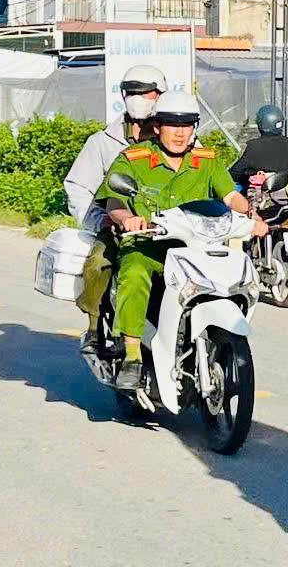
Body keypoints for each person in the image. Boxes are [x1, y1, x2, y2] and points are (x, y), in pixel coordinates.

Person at [93, 90, 266, 390]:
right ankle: (132, 355)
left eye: (186, 125)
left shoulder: (206, 161)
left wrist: (252, 214)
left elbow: (230, 196)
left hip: (195, 250)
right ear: (157, 126)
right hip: (148, 247)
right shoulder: (134, 160)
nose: (179, 133)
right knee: (133, 273)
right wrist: (127, 218)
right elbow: (115, 203)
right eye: (172, 124)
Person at [62, 63, 167, 224]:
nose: (136, 99)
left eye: (143, 93)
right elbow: (78, 188)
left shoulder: (180, 140)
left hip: (175, 229)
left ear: (161, 94)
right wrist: (100, 222)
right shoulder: (102, 142)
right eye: (130, 93)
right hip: (120, 229)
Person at [228, 103, 288, 191]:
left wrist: (248, 173)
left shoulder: (254, 146)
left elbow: (234, 174)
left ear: (260, 124)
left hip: (262, 192)